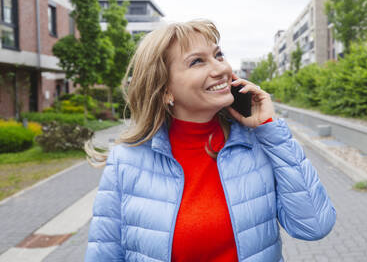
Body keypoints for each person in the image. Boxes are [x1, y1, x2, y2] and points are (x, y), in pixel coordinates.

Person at [85, 19, 336, 262]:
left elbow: (314, 225)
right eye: (197, 62)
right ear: (165, 90)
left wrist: (270, 131)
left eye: (218, 55)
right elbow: (104, 255)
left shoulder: (257, 143)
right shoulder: (126, 160)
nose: (221, 69)